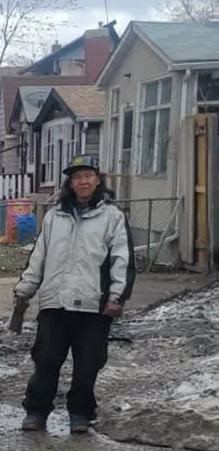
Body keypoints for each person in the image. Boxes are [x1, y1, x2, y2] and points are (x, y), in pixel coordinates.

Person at [14, 155, 136, 434]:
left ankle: (81, 414)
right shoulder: (54, 216)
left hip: (94, 306)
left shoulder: (112, 217)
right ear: (70, 183)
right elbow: (39, 257)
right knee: (45, 361)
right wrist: (24, 290)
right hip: (55, 303)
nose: (83, 182)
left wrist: (117, 296)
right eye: (77, 177)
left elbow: (122, 259)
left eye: (88, 176)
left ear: (98, 180)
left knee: (87, 366)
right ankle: (36, 412)